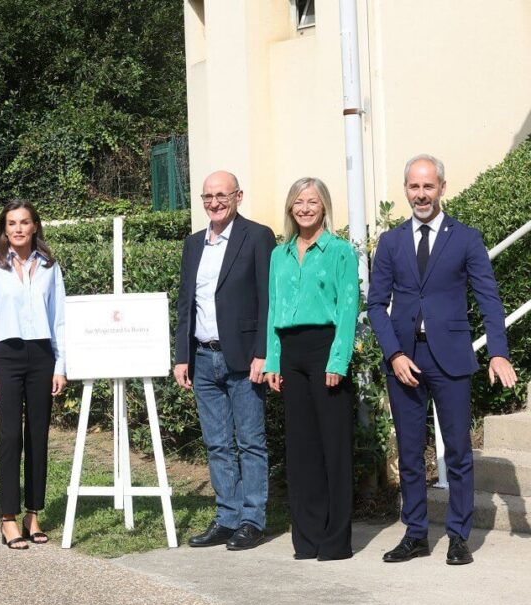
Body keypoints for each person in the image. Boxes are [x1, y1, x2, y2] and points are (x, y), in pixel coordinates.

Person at [369, 155, 517, 566]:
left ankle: (457, 536)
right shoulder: (392, 241)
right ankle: (415, 533)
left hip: (451, 359)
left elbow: (488, 297)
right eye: (414, 187)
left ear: (442, 188)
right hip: (405, 359)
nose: (421, 195)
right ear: (405, 190)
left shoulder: (466, 238)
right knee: (412, 454)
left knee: (457, 452)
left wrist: (499, 352)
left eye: (428, 187)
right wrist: (393, 353)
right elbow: (377, 304)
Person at [173, 170, 276, 551]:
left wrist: (264, 352)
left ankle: (251, 519)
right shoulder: (194, 243)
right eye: (208, 197)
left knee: (250, 442)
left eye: (222, 195)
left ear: (238, 196)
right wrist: (182, 356)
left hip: (244, 357)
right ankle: (227, 517)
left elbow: (269, 299)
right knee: (217, 444)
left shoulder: (257, 236)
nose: (214, 203)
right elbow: (187, 302)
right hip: (202, 358)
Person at [263, 178, 359, 561]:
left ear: (324, 207)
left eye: (312, 201)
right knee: (300, 449)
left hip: (325, 349)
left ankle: (335, 542)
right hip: (291, 352)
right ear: (290, 208)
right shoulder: (279, 255)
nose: (304, 208)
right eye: (298, 202)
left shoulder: (340, 252)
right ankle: (306, 538)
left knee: (332, 447)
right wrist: (272, 360)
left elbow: (349, 309)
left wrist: (338, 360)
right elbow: (273, 308)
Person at [0, 200, 67, 550]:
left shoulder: (49, 267)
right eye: (12, 223)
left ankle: (34, 513)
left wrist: (60, 365)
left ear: (34, 227)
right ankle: (9, 519)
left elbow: (60, 319)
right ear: (3, 229)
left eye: (24, 223)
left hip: (41, 355)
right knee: (11, 436)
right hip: (7, 355)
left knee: (38, 436)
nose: (18, 229)